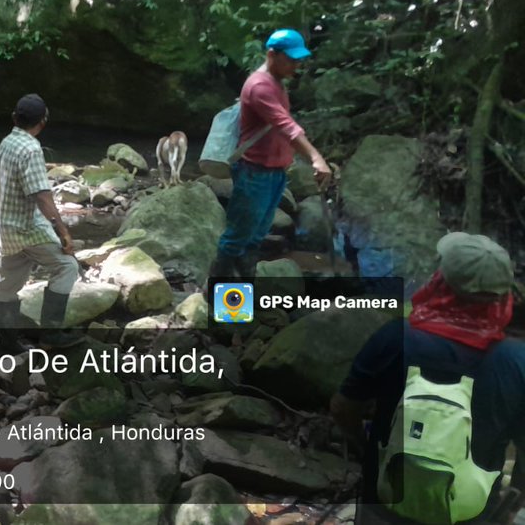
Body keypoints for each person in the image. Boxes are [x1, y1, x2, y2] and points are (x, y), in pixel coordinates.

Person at [331, 232, 523, 524]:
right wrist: (512, 505)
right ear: (503, 297)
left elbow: (343, 408)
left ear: (439, 282)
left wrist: (364, 448)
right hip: (470, 512)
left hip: (385, 499)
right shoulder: (515, 361)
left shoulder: (395, 338)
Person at [209, 28, 332, 279]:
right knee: (236, 239)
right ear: (272, 54)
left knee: (254, 239)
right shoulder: (259, 87)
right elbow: (285, 125)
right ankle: (218, 304)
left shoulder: (277, 83)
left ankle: (240, 301)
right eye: (291, 59)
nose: (297, 65)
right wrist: (316, 158)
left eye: (299, 59)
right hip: (254, 174)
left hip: (274, 174)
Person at [0, 94, 80, 350]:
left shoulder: (6, 142)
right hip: (25, 229)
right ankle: (51, 334)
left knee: (8, 283)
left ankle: (6, 342)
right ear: (42, 122)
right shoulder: (31, 148)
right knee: (67, 267)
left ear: (14, 118)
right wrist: (63, 232)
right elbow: (42, 196)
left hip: (4, 227)